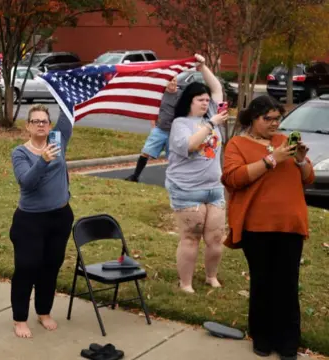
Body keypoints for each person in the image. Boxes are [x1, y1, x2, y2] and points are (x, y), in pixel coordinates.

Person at [221, 95, 314, 360]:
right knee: (263, 282)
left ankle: (288, 343)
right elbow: (233, 178)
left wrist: (299, 160)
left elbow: (307, 178)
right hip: (257, 226)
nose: (274, 124)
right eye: (268, 119)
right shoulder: (237, 144)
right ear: (253, 118)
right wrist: (271, 160)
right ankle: (262, 337)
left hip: (289, 224)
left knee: (287, 284)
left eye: (278, 119)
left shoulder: (284, 142)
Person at [10, 104, 74, 338]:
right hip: (30, 221)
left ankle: (44, 311)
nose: (40, 124)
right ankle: (20, 318)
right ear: (27, 126)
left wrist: (65, 90)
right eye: (35, 121)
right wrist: (44, 160)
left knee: (51, 267)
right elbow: (26, 182)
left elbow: (68, 114)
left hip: (60, 216)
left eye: (44, 121)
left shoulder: (59, 141)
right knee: (27, 268)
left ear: (49, 125)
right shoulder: (20, 153)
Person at [165, 60, 228, 294]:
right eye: (199, 100)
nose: (205, 103)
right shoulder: (181, 124)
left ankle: (211, 276)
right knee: (191, 237)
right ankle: (186, 283)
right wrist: (211, 124)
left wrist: (202, 68)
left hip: (214, 188)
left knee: (215, 237)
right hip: (186, 189)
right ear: (189, 102)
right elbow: (191, 145)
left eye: (206, 100)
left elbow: (217, 89)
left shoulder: (210, 114)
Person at [126, 54, 210, 182]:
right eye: (171, 81)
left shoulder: (181, 95)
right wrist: (153, 125)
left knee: (175, 157)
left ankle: (177, 180)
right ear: (166, 82)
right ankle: (135, 176)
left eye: (175, 81)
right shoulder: (160, 95)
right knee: (146, 151)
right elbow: (153, 110)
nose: (173, 83)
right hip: (160, 130)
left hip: (174, 131)